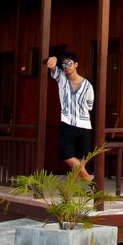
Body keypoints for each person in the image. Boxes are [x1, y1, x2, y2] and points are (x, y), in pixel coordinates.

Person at [46, 52, 95, 181]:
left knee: (81, 158)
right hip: (67, 123)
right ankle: (89, 179)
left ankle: (74, 188)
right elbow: (52, 66)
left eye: (69, 63)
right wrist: (54, 58)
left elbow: (90, 105)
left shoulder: (87, 85)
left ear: (76, 64)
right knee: (66, 154)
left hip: (84, 125)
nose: (67, 66)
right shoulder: (61, 78)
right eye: (64, 65)